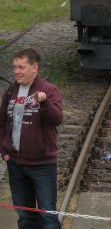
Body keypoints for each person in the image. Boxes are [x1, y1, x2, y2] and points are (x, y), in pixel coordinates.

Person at [0, 48, 63, 229]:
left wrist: (44, 104)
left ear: (34, 67)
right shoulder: (11, 90)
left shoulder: (49, 90)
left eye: (22, 67)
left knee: (48, 218)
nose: (17, 72)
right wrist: (4, 150)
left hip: (42, 165)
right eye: (14, 67)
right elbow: (2, 123)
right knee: (25, 217)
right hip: (16, 165)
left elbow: (57, 119)